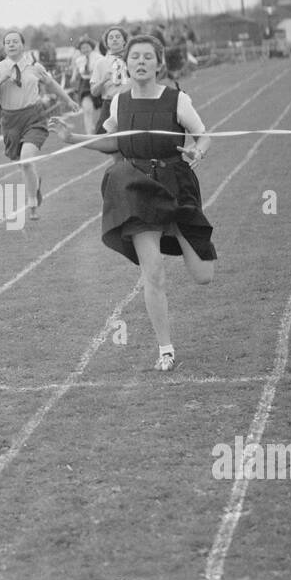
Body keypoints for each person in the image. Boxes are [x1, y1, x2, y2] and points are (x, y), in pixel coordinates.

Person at [49, 34, 215, 371]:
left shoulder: (177, 100)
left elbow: (204, 135)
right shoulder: (119, 103)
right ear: (126, 63)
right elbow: (111, 143)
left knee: (203, 275)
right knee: (152, 273)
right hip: (136, 188)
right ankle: (165, 349)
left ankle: (181, 234)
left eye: (147, 57)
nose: (140, 62)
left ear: (158, 63)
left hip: (176, 184)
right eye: (135, 57)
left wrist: (198, 149)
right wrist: (72, 138)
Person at [0, 29, 81, 222]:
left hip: (33, 118)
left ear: (22, 45)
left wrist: (68, 100)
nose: (11, 44)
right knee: (24, 165)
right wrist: (2, 79)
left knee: (26, 161)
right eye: (7, 42)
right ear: (4, 46)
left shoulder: (34, 66)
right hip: (10, 121)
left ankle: (32, 204)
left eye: (15, 41)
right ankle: (35, 183)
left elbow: (51, 85)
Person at [90, 25, 130, 132]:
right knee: (101, 134)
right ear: (106, 43)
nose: (115, 39)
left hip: (130, 102)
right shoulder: (100, 63)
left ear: (124, 41)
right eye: (111, 38)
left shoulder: (132, 59)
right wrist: (103, 80)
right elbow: (94, 92)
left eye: (118, 36)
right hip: (109, 102)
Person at [69, 36, 99, 133]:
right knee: (87, 109)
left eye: (87, 47)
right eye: (83, 48)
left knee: (102, 109)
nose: (85, 49)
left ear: (91, 47)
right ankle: (89, 132)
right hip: (85, 85)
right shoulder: (79, 60)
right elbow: (76, 71)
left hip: (98, 83)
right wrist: (73, 77)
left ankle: (102, 128)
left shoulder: (98, 58)